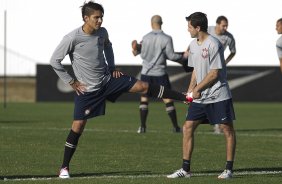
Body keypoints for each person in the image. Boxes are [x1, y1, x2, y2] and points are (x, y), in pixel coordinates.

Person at [50, 1, 189, 179]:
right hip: (88, 91)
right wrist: (71, 81)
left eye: (101, 17)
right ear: (86, 18)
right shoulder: (72, 38)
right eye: (96, 17)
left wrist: (112, 66)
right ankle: (64, 168)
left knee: (143, 86)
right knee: (78, 127)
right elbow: (54, 60)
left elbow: (108, 46)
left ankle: (183, 97)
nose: (100, 20)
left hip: (108, 81)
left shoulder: (102, 32)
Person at [167, 12, 237, 179]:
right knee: (187, 127)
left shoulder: (214, 44)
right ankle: (185, 170)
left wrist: (198, 89)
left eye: (189, 27)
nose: (187, 30)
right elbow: (196, 70)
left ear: (198, 28)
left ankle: (228, 170)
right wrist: (191, 91)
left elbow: (214, 73)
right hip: (200, 97)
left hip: (219, 95)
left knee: (227, 130)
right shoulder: (193, 45)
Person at [131, 15, 192, 133]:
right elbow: (171, 56)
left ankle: (142, 127)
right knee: (167, 98)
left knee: (144, 98)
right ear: (161, 23)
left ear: (151, 23)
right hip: (160, 73)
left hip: (146, 72)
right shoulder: (166, 38)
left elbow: (138, 53)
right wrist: (183, 56)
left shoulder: (145, 38)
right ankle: (175, 127)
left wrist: (135, 49)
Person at [208, 15, 236, 134]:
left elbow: (233, 51)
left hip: (218, 69)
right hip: (205, 66)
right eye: (223, 25)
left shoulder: (228, 37)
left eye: (226, 26)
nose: (225, 28)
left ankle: (218, 123)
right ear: (217, 24)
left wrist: (225, 62)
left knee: (217, 93)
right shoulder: (208, 30)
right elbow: (197, 40)